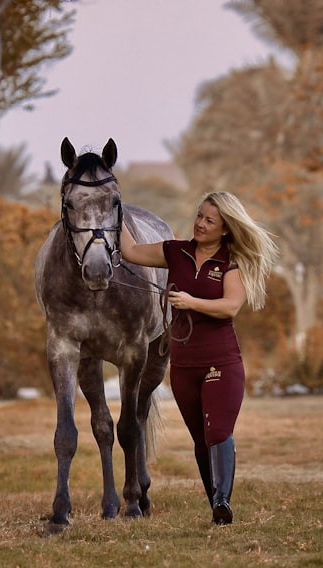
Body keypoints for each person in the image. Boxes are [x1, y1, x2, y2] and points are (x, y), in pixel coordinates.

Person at [120, 191, 279, 525]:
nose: (200, 224)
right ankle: (216, 506)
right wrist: (113, 210)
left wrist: (191, 302)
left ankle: (223, 501)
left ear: (225, 228)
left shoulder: (229, 262)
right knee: (200, 439)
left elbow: (230, 306)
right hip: (182, 366)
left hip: (222, 362)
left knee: (218, 432)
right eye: (199, 216)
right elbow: (131, 251)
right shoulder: (175, 252)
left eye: (210, 220)